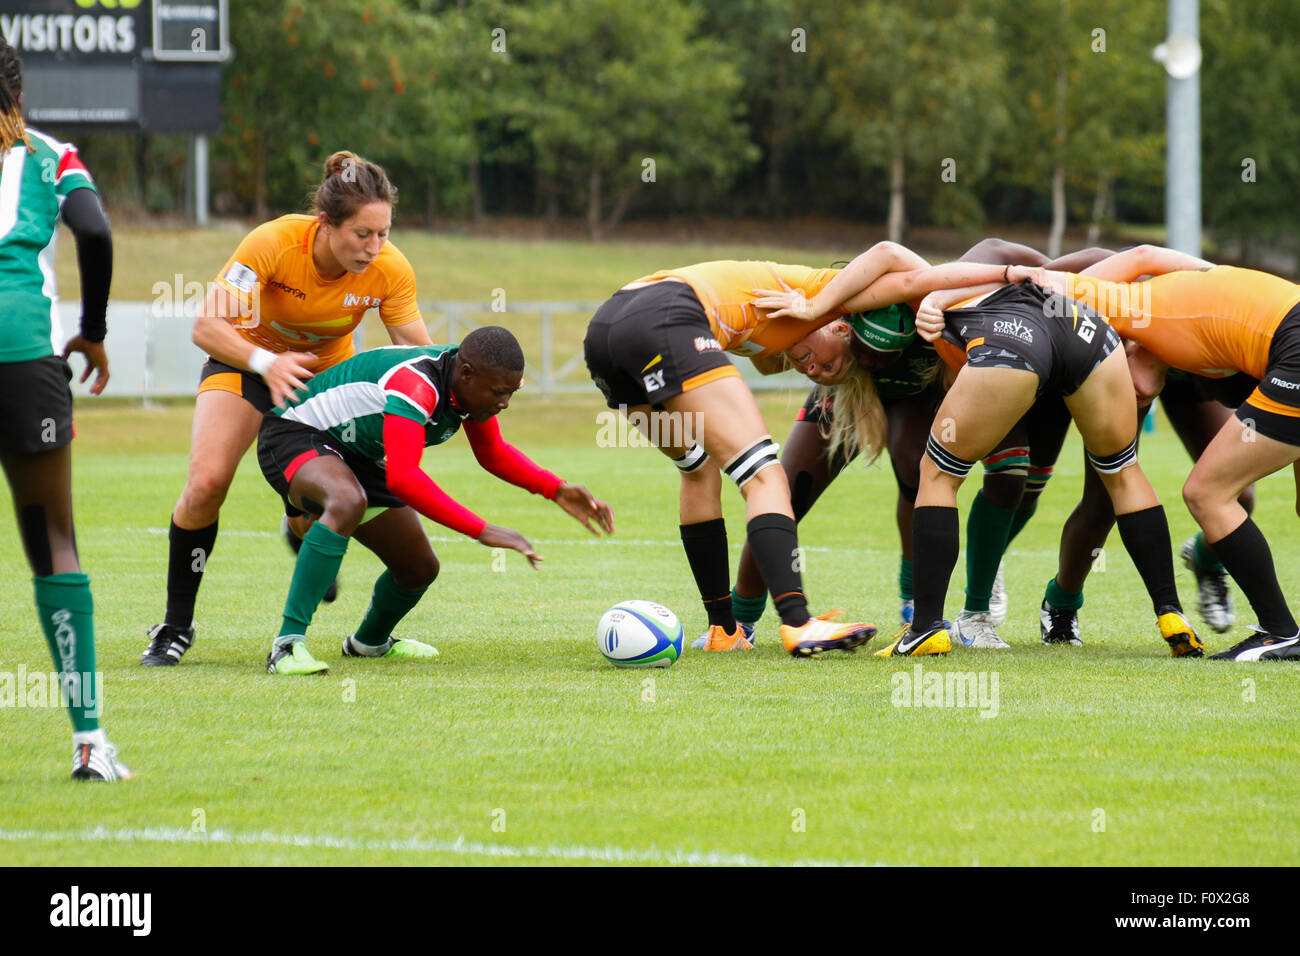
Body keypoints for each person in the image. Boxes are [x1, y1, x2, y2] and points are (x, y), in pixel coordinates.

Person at [582, 255, 1024, 656]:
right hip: (666, 314)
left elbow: (914, 279)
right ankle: (798, 623)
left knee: (697, 470)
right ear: (837, 326)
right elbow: (895, 257)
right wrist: (1007, 273)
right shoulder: (828, 294)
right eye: (804, 359)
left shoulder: (808, 320)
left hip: (606, 333)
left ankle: (724, 630)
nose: (808, 368)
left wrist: (1001, 276)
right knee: (765, 477)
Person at [726, 241, 1107, 650]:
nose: (811, 370)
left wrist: (1060, 272)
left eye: (809, 358)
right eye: (802, 362)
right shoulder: (829, 332)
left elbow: (902, 253)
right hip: (851, 398)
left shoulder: (924, 294)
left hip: (924, 391)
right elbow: (767, 356)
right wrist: (806, 312)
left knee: (966, 473)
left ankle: (944, 608)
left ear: (841, 328)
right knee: (785, 495)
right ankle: (736, 623)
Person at [143, 151, 433, 667]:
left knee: (334, 505)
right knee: (207, 484)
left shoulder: (390, 269)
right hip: (245, 364)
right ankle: (175, 626)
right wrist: (268, 361)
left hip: (324, 385)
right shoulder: (273, 242)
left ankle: (301, 529)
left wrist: (466, 386)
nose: (374, 248)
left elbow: (419, 356)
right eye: (362, 235)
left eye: (383, 233)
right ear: (325, 223)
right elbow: (207, 327)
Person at [876, 258, 1204, 658]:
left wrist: (816, 307)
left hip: (1014, 336)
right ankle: (1170, 612)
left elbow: (891, 258)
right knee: (1123, 473)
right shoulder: (1010, 276)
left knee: (939, 475)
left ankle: (926, 628)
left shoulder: (928, 287)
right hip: (1088, 331)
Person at [257, 326, 613, 674]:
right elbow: (403, 477)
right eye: (497, 392)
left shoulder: (466, 387)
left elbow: (493, 453)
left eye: (510, 393)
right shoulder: (417, 384)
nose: (504, 403)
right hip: (295, 432)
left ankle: (369, 643)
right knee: (347, 501)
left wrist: (556, 489)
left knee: (419, 567)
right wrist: (481, 529)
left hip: (356, 454)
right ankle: (287, 645)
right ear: (467, 373)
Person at [1024, 250, 1300, 661]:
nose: (1126, 392)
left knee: (1210, 493)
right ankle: (1062, 602)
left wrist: (942, 299)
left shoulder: (1139, 310)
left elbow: (1041, 285)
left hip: (1287, 351)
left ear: (1129, 345)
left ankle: (1280, 633)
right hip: (1274, 342)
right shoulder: (1159, 314)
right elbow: (1139, 259)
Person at [0, 40, 127, 779]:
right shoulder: (53, 155)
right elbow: (98, 234)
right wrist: (96, 332)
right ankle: (89, 742)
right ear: (18, 92)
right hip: (24, 357)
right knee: (54, 541)